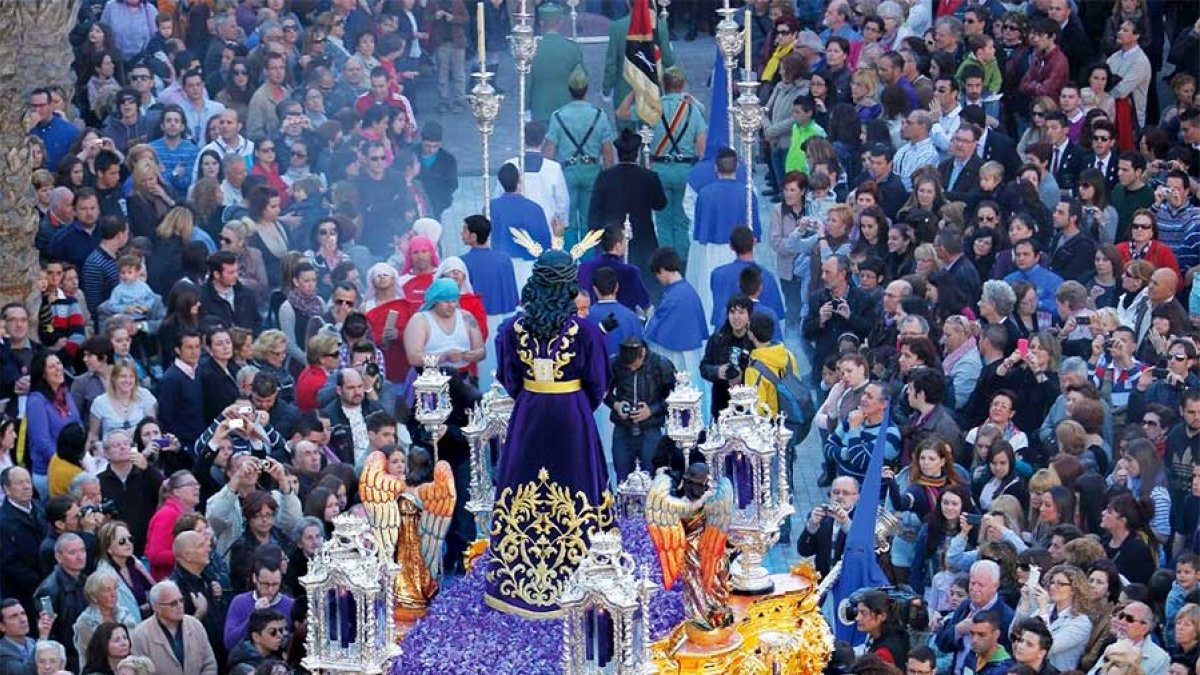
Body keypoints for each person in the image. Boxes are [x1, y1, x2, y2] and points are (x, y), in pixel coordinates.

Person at [485, 249, 610, 617]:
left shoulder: (512, 329)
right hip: (572, 416)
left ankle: (517, 581)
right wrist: (574, 404)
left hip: (529, 416)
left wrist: (534, 399)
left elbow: (509, 379)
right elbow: (599, 381)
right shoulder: (585, 330)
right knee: (578, 483)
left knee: (521, 482)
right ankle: (584, 575)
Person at [588, 130, 668, 293]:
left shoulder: (605, 176)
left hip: (612, 238)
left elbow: (594, 211)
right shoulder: (649, 176)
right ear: (637, 154)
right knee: (644, 282)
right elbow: (660, 204)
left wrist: (597, 235)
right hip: (643, 237)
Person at [688, 151, 762, 318]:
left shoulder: (705, 193)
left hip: (713, 251)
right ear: (737, 166)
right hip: (743, 250)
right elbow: (755, 229)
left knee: (710, 294)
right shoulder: (748, 193)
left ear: (716, 167)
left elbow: (700, 229)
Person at [546, 67, 614, 247]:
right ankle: (587, 262)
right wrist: (609, 177)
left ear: (569, 90)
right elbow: (607, 151)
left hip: (567, 172)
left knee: (566, 220)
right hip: (592, 172)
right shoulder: (599, 116)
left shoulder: (558, 116)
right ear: (586, 89)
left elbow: (549, 152)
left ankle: (568, 261)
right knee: (590, 221)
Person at [604, 337, 674, 482]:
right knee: (623, 477)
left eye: (635, 365)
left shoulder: (660, 364)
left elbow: (675, 397)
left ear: (642, 353)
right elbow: (603, 391)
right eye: (628, 367)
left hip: (650, 429)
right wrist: (616, 405)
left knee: (652, 476)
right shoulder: (615, 363)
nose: (632, 369)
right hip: (623, 428)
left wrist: (652, 410)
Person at [643, 248, 708, 391]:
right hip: (690, 353)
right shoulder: (687, 290)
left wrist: (649, 317)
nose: (658, 279)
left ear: (662, 270)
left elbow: (658, 327)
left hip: (676, 356)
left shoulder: (675, 296)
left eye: (657, 274)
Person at [935, 560, 1016, 673]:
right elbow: (942, 644)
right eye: (972, 583)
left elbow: (1009, 658)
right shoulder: (965, 606)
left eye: (981, 585)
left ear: (995, 586)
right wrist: (957, 630)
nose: (975, 589)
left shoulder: (1006, 616)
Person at [129, 580, 217, 675]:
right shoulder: (141, 635)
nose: (180, 606)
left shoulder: (195, 625)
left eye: (181, 600)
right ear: (156, 607)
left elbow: (209, 663)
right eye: (173, 603)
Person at [825, 382, 902, 481]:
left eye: (869, 397)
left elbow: (860, 462)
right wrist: (847, 453)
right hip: (843, 489)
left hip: (869, 494)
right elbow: (828, 447)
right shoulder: (852, 418)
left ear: (884, 404)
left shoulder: (890, 434)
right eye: (864, 394)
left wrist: (854, 429)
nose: (863, 399)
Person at [33, 533, 88, 672]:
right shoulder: (49, 590)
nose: (80, 556)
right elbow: (50, 632)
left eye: (82, 550)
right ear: (58, 557)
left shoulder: (85, 580)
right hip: (69, 659)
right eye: (72, 552)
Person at [797, 475, 859, 577]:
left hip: (850, 581)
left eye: (845, 493)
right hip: (824, 582)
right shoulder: (820, 516)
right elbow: (804, 551)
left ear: (856, 496)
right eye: (835, 492)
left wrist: (845, 523)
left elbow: (862, 550)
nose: (839, 496)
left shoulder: (863, 519)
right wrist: (811, 527)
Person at [0, 599, 52, 675]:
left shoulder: (32, 642)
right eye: (14, 616)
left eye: (23, 613)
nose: (23, 619)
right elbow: (23, 673)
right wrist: (43, 638)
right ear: (2, 626)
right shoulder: (2, 651)